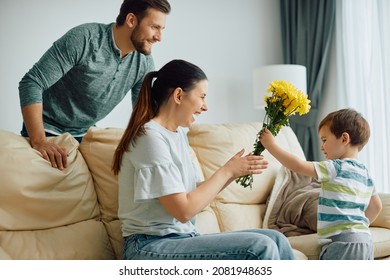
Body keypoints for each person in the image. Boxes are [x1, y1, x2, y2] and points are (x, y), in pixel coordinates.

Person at [112, 59, 295, 260]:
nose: (205, 106)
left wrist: (234, 172)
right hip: (148, 246)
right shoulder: (149, 137)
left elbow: (193, 192)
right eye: (202, 97)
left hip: (182, 238)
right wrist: (227, 171)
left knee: (277, 239)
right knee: (259, 246)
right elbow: (184, 210)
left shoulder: (178, 134)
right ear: (179, 95)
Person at [18, 0, 171, 170]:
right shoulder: (85, 38)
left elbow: (143, 113)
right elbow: (31, 82)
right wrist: (39, 142)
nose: (159, 37)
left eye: (161, 29)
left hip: (86, 134)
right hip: (47, 129)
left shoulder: (144, 62)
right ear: (131, 20)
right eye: (154, 27)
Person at [259, 108, 383, 260]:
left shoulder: (335, 167)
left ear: (344, 139)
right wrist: (357, 228)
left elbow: (297, 165)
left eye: (324, 140)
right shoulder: (365, 173)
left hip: (343, 243)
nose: (321, 147)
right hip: (365, 241)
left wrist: (271, 145)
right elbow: (377, 206)